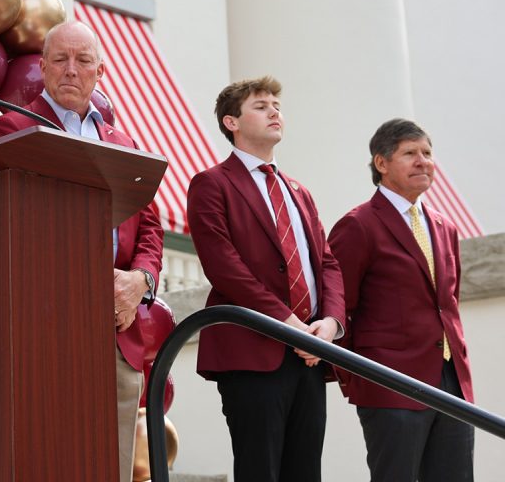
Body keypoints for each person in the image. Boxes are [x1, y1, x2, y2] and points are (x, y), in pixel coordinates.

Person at [0, 20, 163, 480]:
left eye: (83, 61)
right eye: (60, 59)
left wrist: (139, 281)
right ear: (41, 68)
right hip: (44, 324)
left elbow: (151, 227)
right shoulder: (14, 129)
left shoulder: (122, 142)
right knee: (50, 458)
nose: (71, 70)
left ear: (99, 73)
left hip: (116, 326)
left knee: (113, 465)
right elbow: (3, 220)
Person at [186, 77, 344, 482]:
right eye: (261, 105)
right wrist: (291, 327)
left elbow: (327, 263)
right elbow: (224, 267)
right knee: (260, 471)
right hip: (254, 352)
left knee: (306, 472)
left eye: (277, 104)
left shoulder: (299, 192)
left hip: (310, 354)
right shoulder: (211, 184)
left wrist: (329, 325)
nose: (275, 111)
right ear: (231, 122)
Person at [328, 119, 474, 481]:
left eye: (427, 153)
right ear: (381, 163)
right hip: (389, 386)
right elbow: (337, 305)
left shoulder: (445, 226)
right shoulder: (358, 224)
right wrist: (360, 379)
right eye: (410, 153)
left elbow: (446, 303)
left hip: (452, 384)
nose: (423, 161)